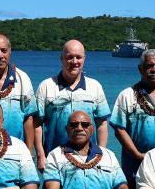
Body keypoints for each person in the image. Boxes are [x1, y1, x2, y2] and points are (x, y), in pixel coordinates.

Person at [109, 49, 155, 189]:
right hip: (135, 164)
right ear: (140, 69)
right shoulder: (127, 95)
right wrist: (137, 155)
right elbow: (119, 129)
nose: (154, 70)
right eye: (149, 66)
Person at [35, 40, 110, 171]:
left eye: (78, 57)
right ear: (61, 59)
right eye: (69, 57)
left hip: (89, 159)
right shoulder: (46, 86)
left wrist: (101, 153)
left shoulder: (95, 86)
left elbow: (102, 124)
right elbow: (37, 125)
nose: (74, 61)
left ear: (84, 59)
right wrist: (41, 156)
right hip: (54, 159)